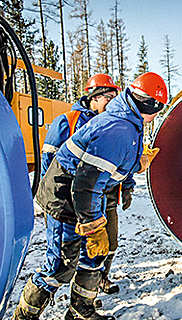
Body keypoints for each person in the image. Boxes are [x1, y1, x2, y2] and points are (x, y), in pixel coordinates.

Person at [5, 72, 167, 320]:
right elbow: (85, 184)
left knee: (94, 254)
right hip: (65, 195)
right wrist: (92, 227)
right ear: (152, 106)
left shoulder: (131, 122)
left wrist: (135, 168)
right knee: (61, 264)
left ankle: (81, 313)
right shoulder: (118, 128)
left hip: (86, 192)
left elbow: (112, 166)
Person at [40, 73, 131, 295]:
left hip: (104, 196)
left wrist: (127, 186)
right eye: (108, 96)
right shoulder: (67, 121)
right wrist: (55, 198)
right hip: (70, 199)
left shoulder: (113, 124)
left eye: (115, 96)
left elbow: (122, 160)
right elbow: (49, 163)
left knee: (105, 244)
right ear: (94, 96)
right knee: (65, 256)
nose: (112, 101)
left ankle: (96, 284)